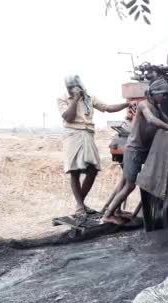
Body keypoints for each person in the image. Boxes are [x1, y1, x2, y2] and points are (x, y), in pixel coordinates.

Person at [58, 75, 131, 217]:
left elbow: (108, 108)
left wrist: (127, 104)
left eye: (76, 86)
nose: (74, 88)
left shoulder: (90, 97)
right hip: (73, 135)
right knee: (74, 171)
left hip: (88, 134)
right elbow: (68, 117)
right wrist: (75, 99)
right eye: (71, 87)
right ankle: (80, 206)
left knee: (92, 170)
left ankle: (80, 204)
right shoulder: (62, 98)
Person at [102, 78, 168, 224]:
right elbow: (152, 120)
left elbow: (167, 121)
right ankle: (108, 214)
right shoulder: (143, 105)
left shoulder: (157, 107)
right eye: (163, 95)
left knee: (127, 182)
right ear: (154, 93)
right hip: (134, 150)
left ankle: (117, 211)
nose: (164, 98)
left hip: (144, 151)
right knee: (130, 185)